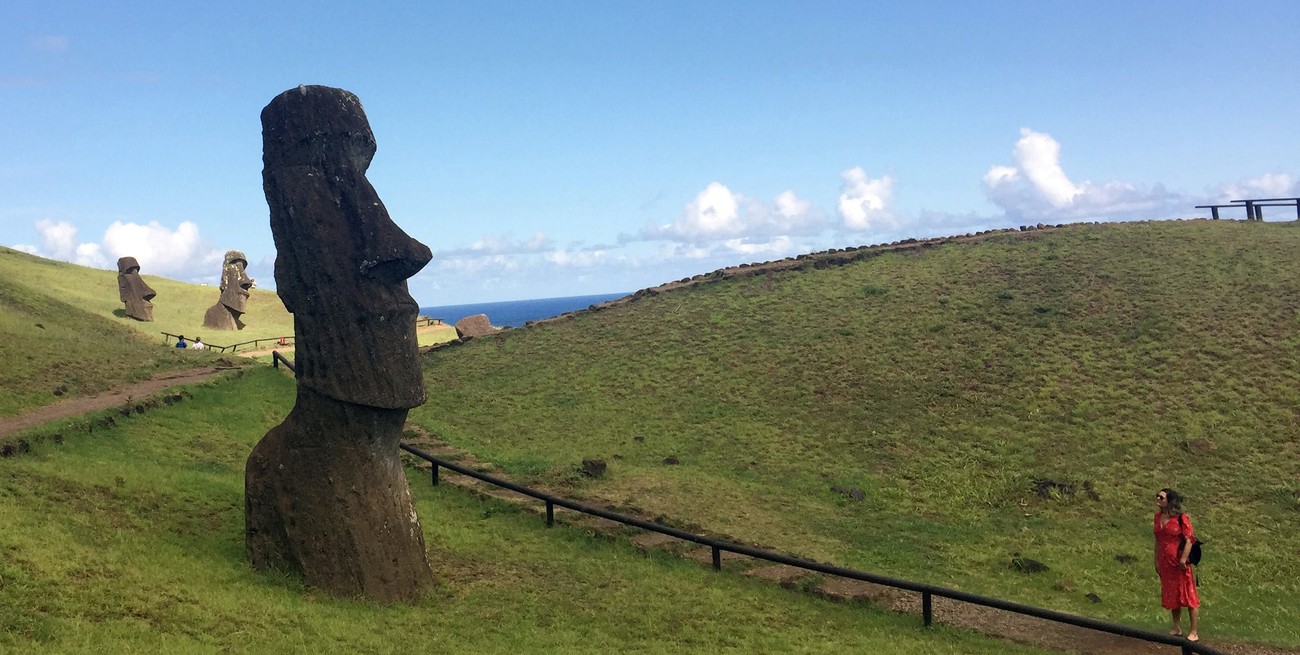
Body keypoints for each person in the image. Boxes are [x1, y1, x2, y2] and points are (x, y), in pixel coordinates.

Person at [1155, 488, 1200, 641]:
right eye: (1158, 496)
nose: (1158, 499)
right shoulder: (1158, 517)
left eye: (1161, 497)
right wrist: (1156, 560)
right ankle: (1176, 626)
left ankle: (1193, 631)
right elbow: (1158, 540)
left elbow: (1189, 539)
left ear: (1169, 500)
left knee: (1188, 595)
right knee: (1173, 594)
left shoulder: (1181, 518)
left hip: (1179, 563)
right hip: (1165, 563)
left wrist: (1183, 559)